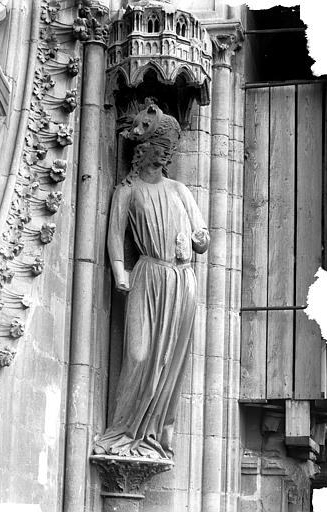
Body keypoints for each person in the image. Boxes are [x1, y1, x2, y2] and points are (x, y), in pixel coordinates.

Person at [94, 103, 209, 459]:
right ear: (144, 151)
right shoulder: (127, 190)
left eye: (168, 151)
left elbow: (202, 235)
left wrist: (197, 240)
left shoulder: (179, 190)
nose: (165, 156)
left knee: (169, 363)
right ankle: (124, 431)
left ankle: (153, 436)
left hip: (181, 282)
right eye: (160, 149)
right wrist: (119, 272)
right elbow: (115, 236)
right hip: (147, 275)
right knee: (140, 354)